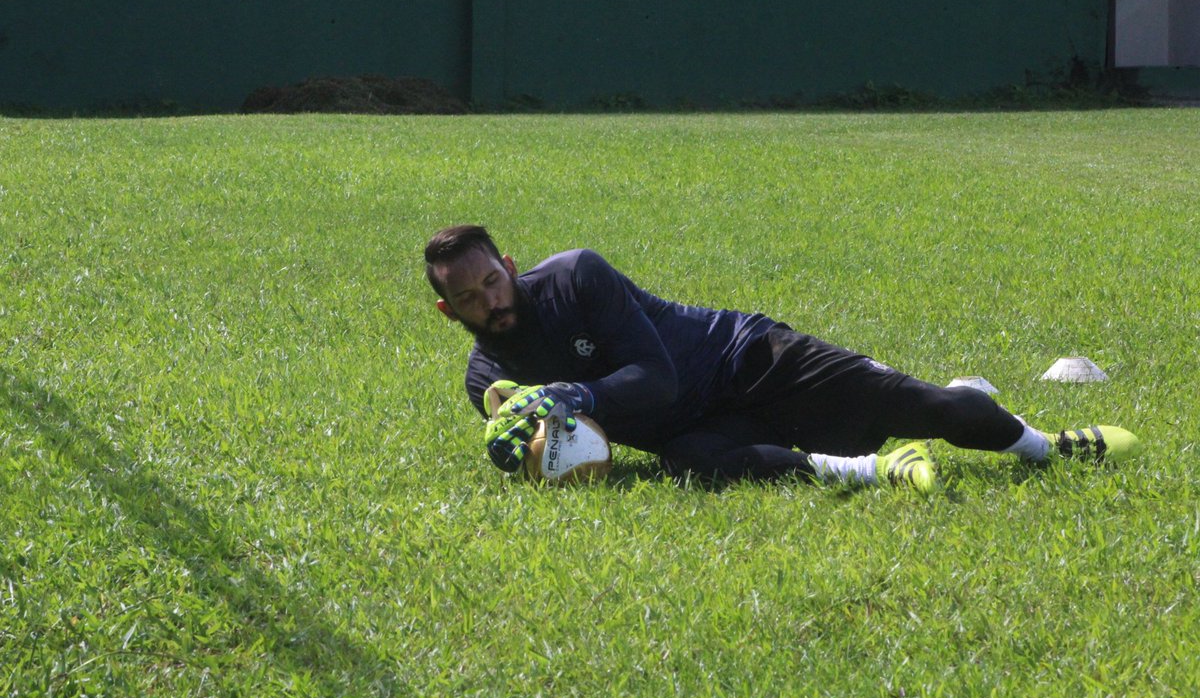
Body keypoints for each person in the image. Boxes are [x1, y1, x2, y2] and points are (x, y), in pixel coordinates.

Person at [424, 224, 1140, 492]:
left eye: (493, 280)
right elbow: (576, 452)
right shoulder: (488, 381)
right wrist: (522, 454)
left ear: (509, 266)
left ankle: (1051, 447)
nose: (490, 301)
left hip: (742, 358)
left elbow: (655, 377)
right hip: (691, 429)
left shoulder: (577, 275)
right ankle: (877, 470)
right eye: (470, 298)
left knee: (926, 404)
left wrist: (574, 396)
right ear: (447, 311)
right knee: (692, 463)